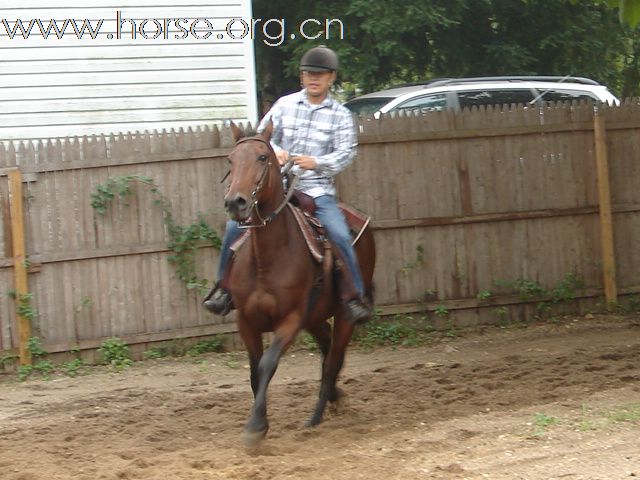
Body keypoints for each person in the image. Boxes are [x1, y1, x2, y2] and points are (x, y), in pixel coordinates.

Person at [203, 45, 371, 325]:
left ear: (331, 78)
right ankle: (224, 289)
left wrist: (315, 162)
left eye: (320, 74)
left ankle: (353, 296)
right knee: (234, 227)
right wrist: (276, 151)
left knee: (340, 233)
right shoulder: (284, 105)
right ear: (302, 77)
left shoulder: (340, 115)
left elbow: (345, 153)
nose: (313, 79)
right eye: (308, 74)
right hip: (277, 188)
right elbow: (260, 138)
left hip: (317, 190)